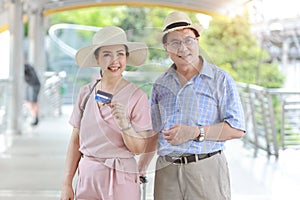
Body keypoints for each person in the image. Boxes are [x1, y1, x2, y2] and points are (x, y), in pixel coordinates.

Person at [150, 11, 246, 200]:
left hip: (206, 169)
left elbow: (237, 129)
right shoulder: (160, 84)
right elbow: (153, 133)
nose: (182, 48)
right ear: (166, 48)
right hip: (166, 171)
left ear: (197, 41)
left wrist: (195, 132)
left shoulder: (220, 80)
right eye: (175, 42)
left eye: (188, 40)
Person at [60, 26, 156, 200]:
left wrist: (125, 125)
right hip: (88, 176)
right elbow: (75, 142)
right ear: (97, 58)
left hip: (122, 178)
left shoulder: (137, 97)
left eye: (120, 54)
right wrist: (67, 183)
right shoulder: (86, 93)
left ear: (126, 57)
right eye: (106, 54)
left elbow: (139, 148)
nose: (115, 60)